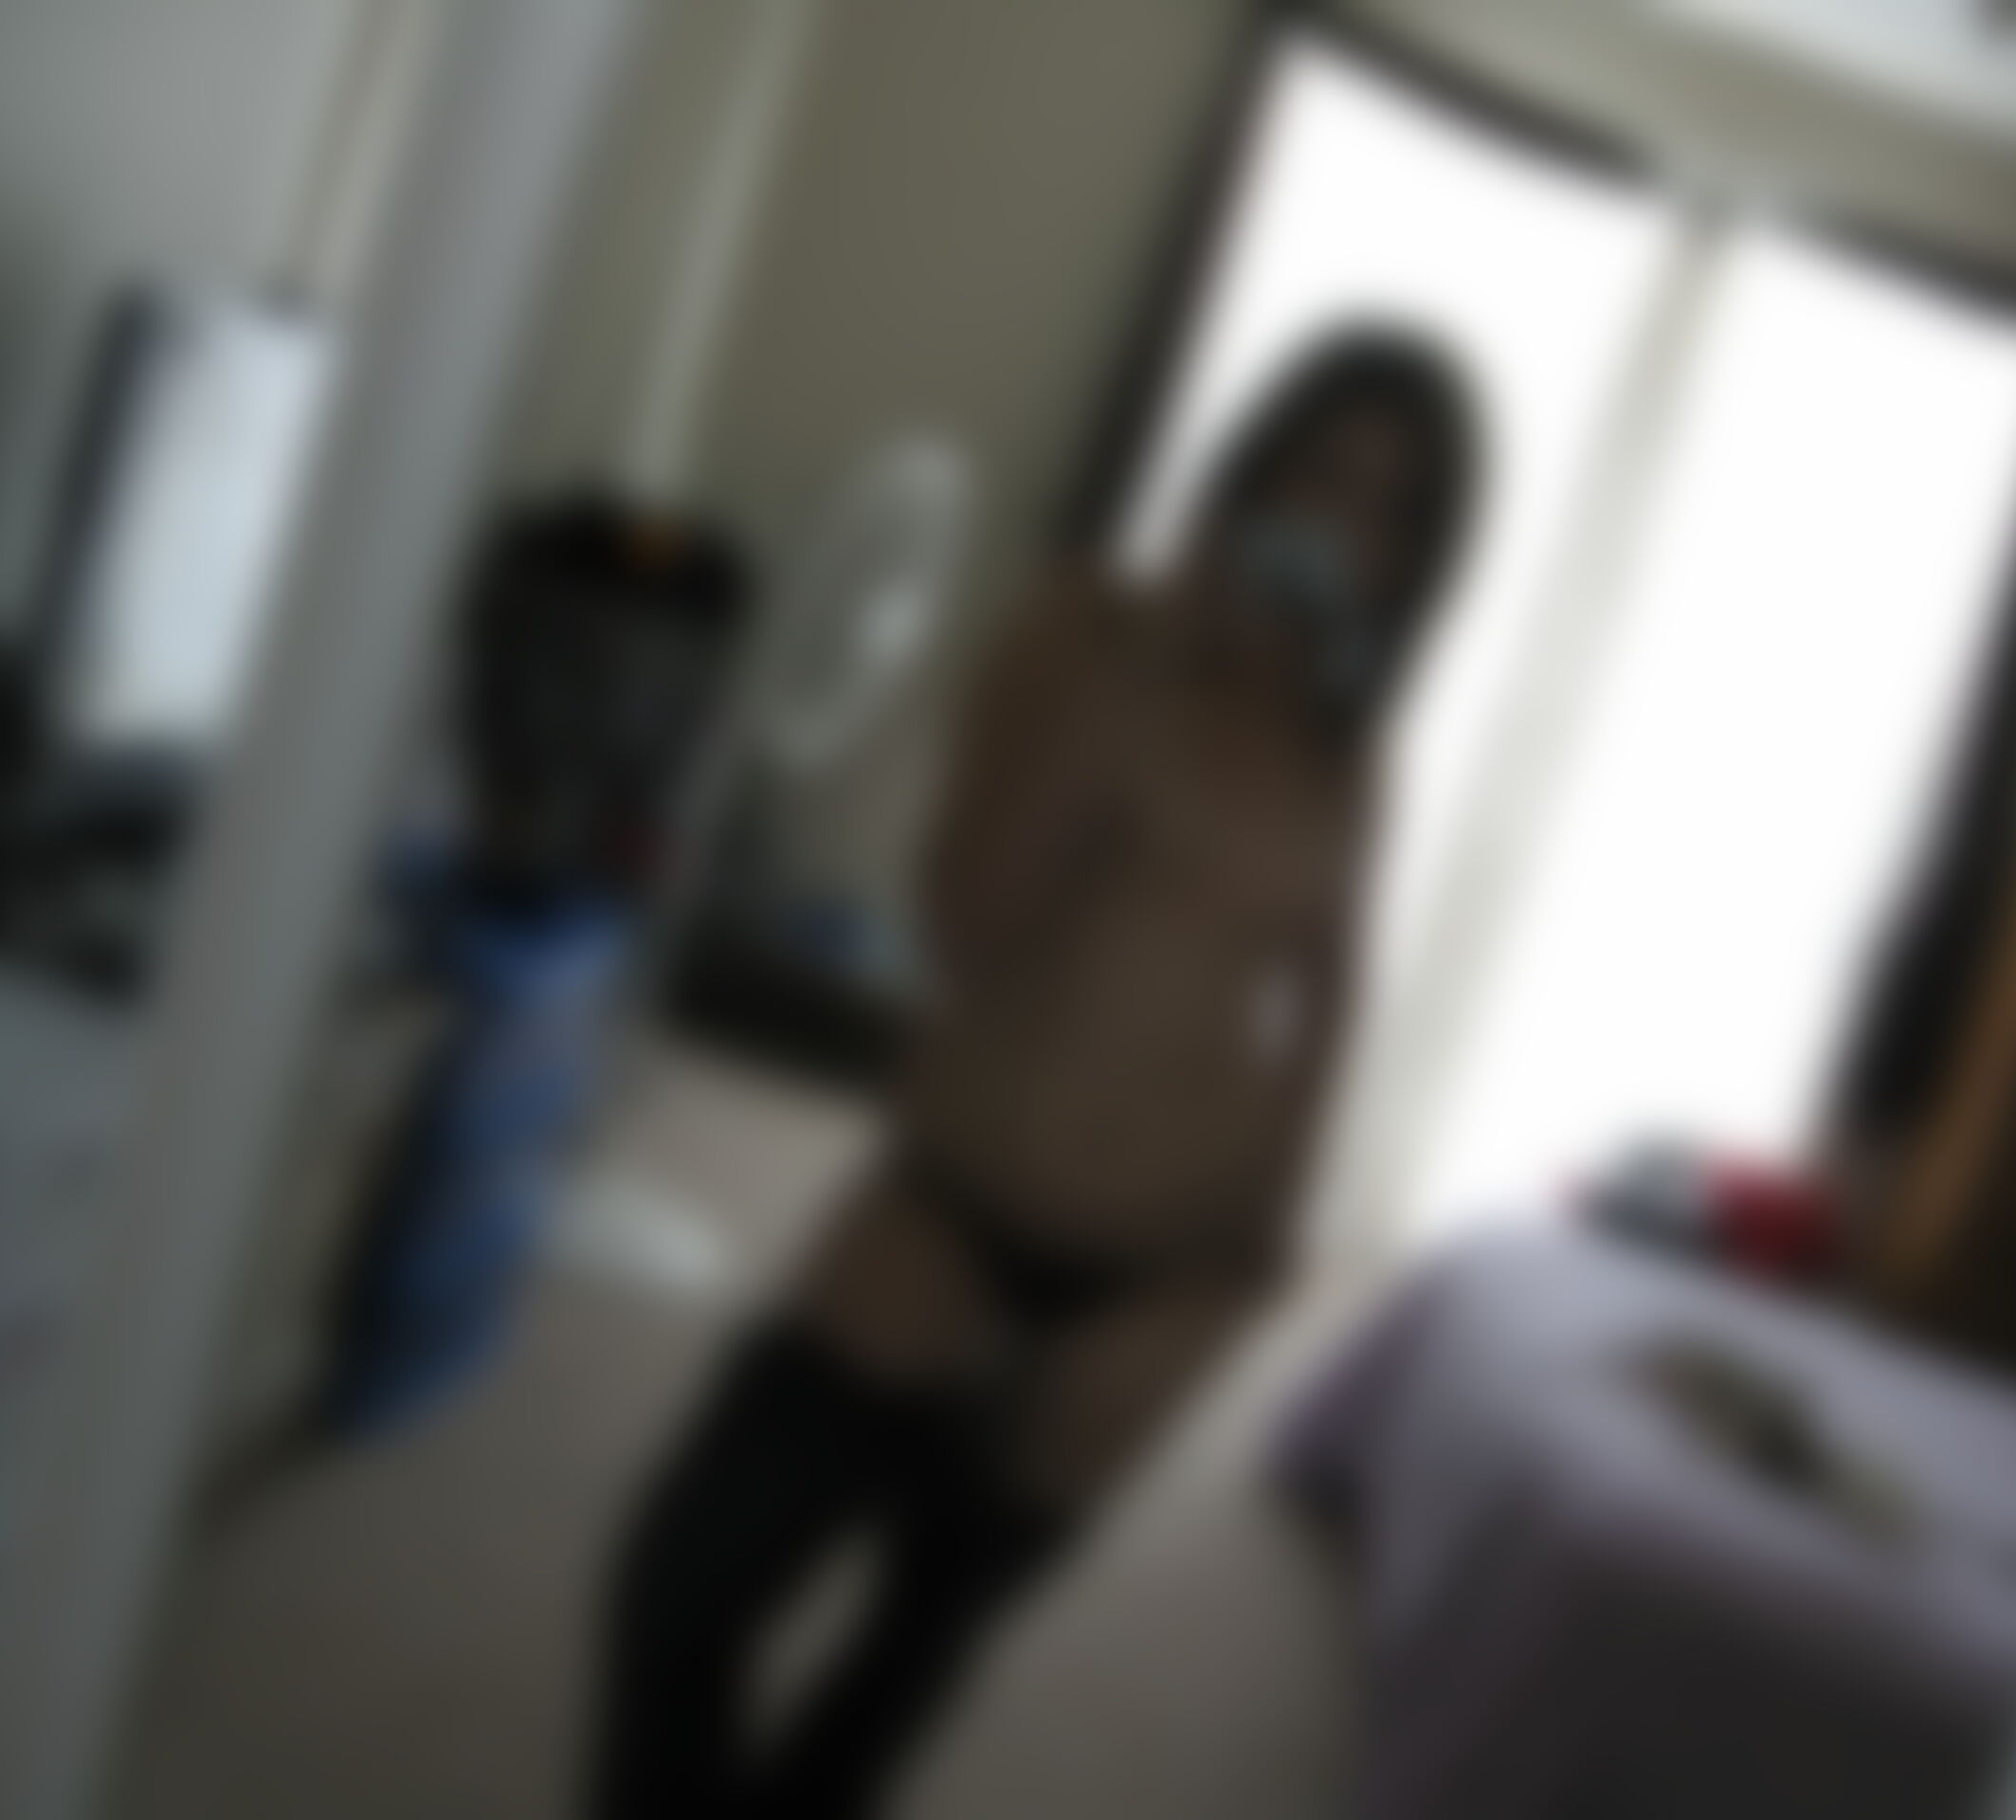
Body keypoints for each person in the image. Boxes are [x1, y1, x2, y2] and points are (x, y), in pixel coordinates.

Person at [592, 327, 1483, 1819]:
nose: (1345, 525)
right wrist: (1155, 676)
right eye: (1324, 471)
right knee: (678, 1588)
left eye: (1394, 510)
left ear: (1414, 569)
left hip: (1162, 1279)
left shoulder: (1354, 753)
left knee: (907, 1659)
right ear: (1254, 467)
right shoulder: (1087, 626)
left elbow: (1332, 996)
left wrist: (1257, 1261)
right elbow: (961, 921)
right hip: (950, 1206)